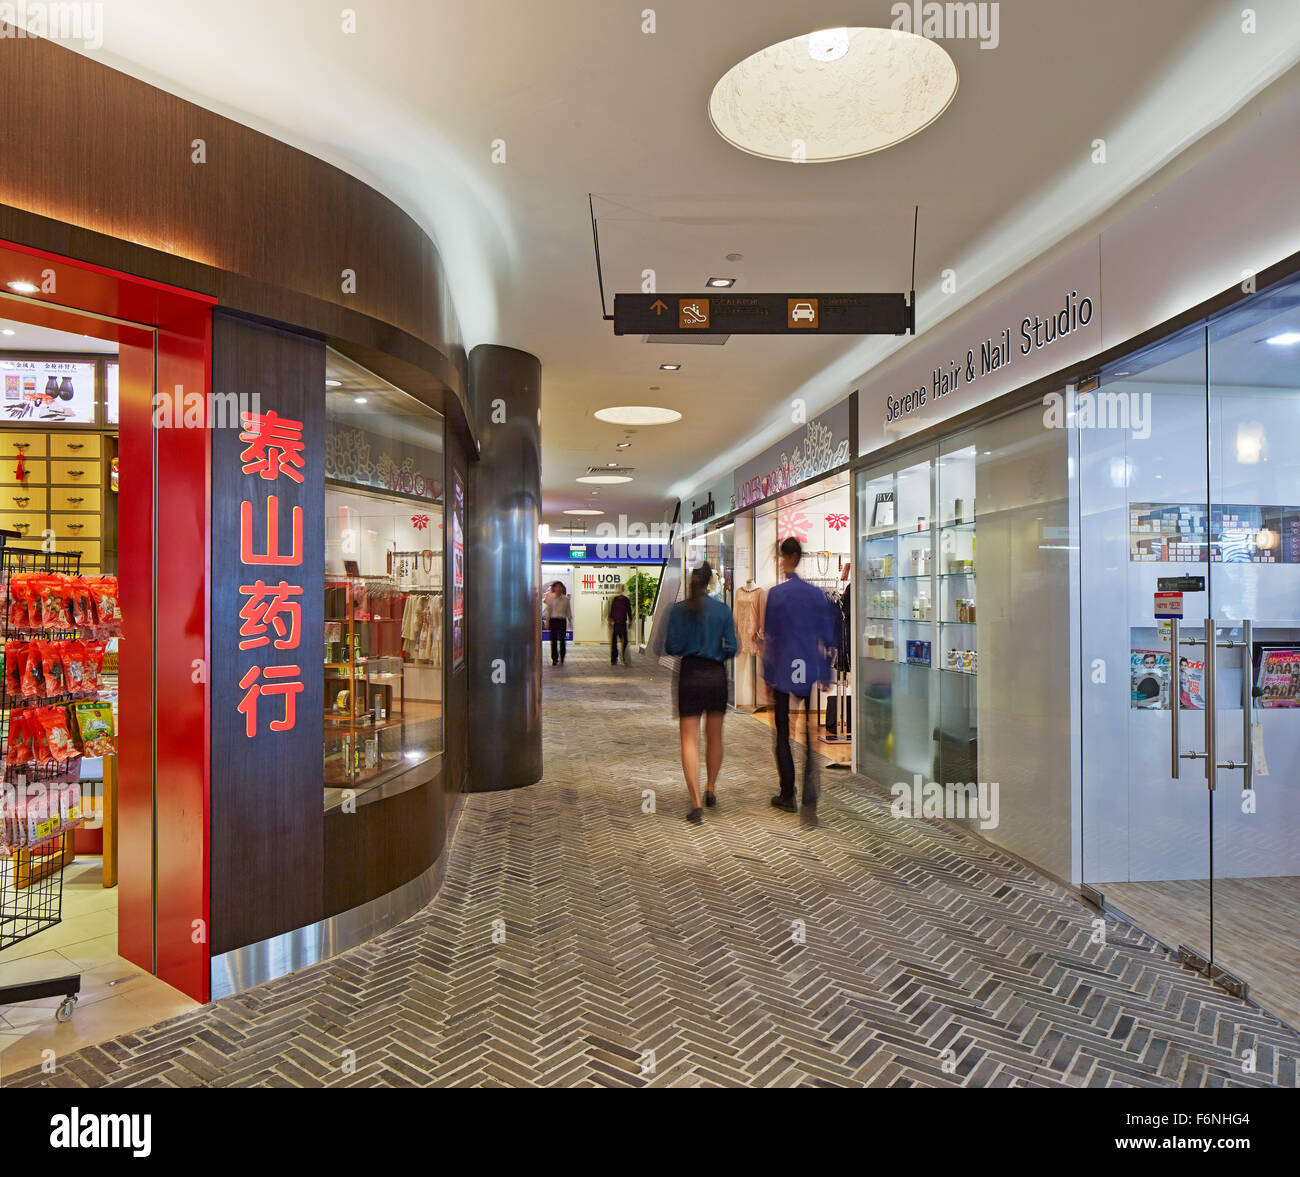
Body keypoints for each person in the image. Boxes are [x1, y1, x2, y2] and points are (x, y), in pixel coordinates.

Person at [762, 537, 838, 814]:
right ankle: (809, 791)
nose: (781, 563)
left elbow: (771, 637)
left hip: (783, 668)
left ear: (788, 558)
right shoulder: (816, 594)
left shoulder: (777, 594)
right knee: (808, 731)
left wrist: (767, 675)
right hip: (808, 669)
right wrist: (827, 672)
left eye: (781, 558)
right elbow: (826, 638)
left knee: (783, 732)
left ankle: (787, 793)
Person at [664, 561, 738, 824]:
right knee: (715, 736)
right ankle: (711, 789)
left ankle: (695, 802)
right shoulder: (722, 610)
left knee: (689, 739)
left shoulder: (678, 610)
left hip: (690, 675)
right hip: (716, 675)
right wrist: (717, 649)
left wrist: (690, 644)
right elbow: (733, 647)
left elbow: (670, 646)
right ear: (711, 583)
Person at [542, 582, 572, 666]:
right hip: (553, 620)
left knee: (562, 640)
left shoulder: (566, 599)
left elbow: (568, 611)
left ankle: (562, 657)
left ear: (562, 588)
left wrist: (570, 621)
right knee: (553, 640)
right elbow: (549, 610)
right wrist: (547, 621)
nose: (558, 588)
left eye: (560, 587)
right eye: (557, 587)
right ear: (554, 588)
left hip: (562, 620)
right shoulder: (550, 598)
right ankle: (554, 659)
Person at [608, 583, 632, 666]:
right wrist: (610, 620)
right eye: (618, 588)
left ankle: (625, 659)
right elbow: (612, 610)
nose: (619, 590)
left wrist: (630, 621)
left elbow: (629, 611)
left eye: (621, 588)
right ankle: (614, 659)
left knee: (624, 642)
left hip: (623, 624)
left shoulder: (626, 600)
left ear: (623, 589)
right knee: (614, 643)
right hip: (616, 624)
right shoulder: (615, 599)